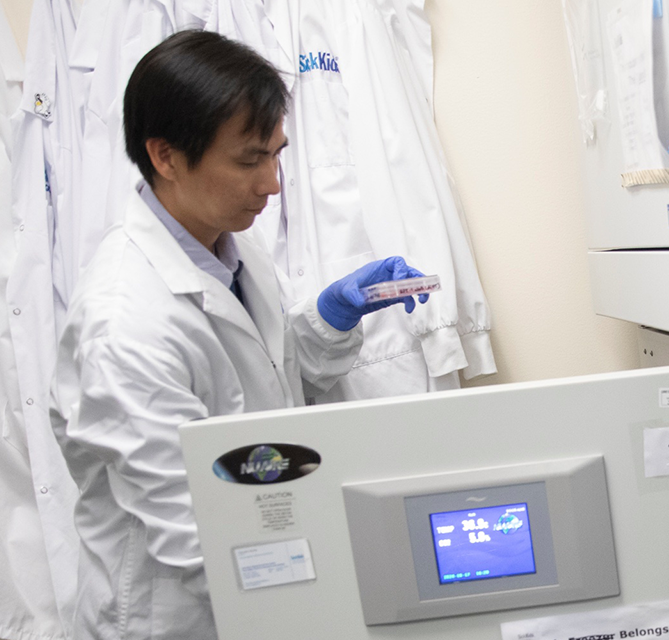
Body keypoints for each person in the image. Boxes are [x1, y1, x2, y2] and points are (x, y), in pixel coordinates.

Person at [49, 31, 430, 640]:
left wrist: (330, 316)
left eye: (276, 154)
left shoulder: (228, 244)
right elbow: (198, 536)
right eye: (250, 160)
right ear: (166, 157)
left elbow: (268, 376)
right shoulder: (124, 326)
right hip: (181, 615)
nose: (273, 184)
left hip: (264, 563)